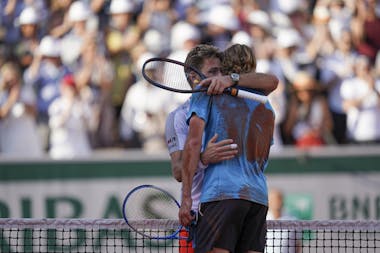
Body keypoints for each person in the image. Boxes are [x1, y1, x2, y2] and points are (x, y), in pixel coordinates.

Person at [168, 44, 278, 253]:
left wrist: (186, 200)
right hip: (257, 199)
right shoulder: (266, 105)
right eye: (213, 72)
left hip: (221, 197)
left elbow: (192, 143)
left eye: (221, 71)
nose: (218, 76)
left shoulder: (207, 94)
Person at [266, 188, 301, 253]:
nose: (276, 202)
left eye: (279, 199)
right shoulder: (262, 220)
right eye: (273, 199)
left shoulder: (293, 220)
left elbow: (298, 244)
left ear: (282, 201)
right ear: (268, 201)